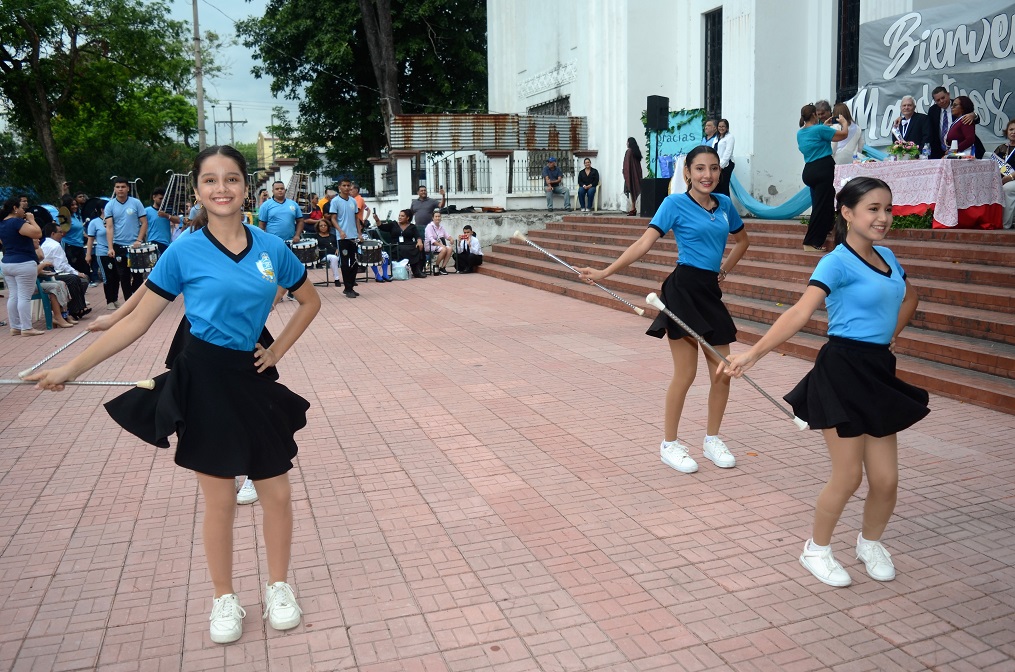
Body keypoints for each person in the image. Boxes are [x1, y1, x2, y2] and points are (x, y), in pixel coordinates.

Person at [27, 144, 321, 644]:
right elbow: (140, 320)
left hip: (251, 378)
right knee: (221, 499)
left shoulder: (272, 248)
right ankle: (224, 598)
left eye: (231, 179)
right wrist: (71, 367)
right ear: (198, 189)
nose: (221, 188)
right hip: (203, 379)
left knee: (277, 491)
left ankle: (278, 586)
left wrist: (276, 354)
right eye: (210, 180)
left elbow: (309, 301)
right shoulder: (184, 250)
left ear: (245, 186)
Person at [722, 177, 928, 588]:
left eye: (887, 208)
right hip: (842, 370)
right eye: (873, 209)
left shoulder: (888, 257)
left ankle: (869, 543)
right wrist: (753, 353)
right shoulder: (836, 261)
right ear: (847, 214)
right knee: (849, 475)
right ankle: (816, 549)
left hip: (877, 370)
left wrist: (890, 336)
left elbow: (910, 297)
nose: (883, 217)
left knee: (886, 480)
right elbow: (800, 313)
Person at [578, 145, 750, 474]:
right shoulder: (674, 204)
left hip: (709, 292)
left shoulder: (725, 205)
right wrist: (605, 272)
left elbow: (742, 241)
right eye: (700, 168)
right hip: (683, 290)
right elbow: (644, 243)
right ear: (687, 172)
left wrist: (724, 270)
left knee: (723, 372)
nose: (708, 175)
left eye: (713, 168)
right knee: (685, 374)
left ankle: (711, 439)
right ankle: (670, 444)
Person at [798, 103, 848, 252]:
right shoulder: (820, 129)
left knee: (826, 203)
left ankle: (827, 228)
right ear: (814, 115)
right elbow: (843, 135)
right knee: (820, 206)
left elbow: (817, 139)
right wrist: (844, 124)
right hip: (823, 169)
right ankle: (810, 242)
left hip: (809, 170)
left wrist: (824, 126)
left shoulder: (800, 133)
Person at [0, 198, 46, 336]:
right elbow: (38, 233)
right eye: (22, 208)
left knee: (13, 296)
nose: (24, 211)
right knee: (24, 296)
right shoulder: (16, 222)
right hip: (23, 262)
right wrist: (32, 220)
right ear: (15, 208)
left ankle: (15, 327)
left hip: (7, 262)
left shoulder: (2, 223)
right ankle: (26, 328)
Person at [103, 177, 149, 300]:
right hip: (119, 246)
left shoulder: (136, 203)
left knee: (138, 276)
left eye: (123, 187)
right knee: (123, 276)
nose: (120, 189)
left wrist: (139, 240)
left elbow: (144, 222)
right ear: (114, 189)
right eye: (117, 187)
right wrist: (110, 247)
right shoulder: (110, 205)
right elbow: (109, 227)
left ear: (128, 188)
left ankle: (136, 297)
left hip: (135, 246)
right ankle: (128, 302)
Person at [40, 222, 90, 320]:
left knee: (80, 278)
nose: (62, 234)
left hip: (51, 272)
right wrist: (76, 273)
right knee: (76, 279)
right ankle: (75, 309)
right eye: (60, 232)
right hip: (52, 274)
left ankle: (78, 307)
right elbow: (61, 266)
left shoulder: (46, 243)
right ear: (53, 234)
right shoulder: (55, 245)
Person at [328, 178, 361, 297]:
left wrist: (359, 233)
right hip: (342, 238)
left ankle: (351, 285)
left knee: (355, 262)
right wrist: (340, 231)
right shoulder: (335, 201)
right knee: (345, 263)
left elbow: (357, 218)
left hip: (353, 237)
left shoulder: (353, 201)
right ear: (339, 187)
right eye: (344, 185)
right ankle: (347, 288)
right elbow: (333, 218)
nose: (347, 188)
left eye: (348, 185)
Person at [927, 86, 978, 159]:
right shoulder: (933, 110)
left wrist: (974, 115)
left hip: (963, 151)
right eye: (938, 100)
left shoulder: (959, 104)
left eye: (943, 98)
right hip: (942, 150)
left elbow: (970, 118)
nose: (941, 101)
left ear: (948, 94)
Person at [374, 209, 425, 278]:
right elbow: (382, 227)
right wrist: (377, 219)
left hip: (409, 244)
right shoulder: (393, 224)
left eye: (402, 216)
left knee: (419, 247)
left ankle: (417, 270)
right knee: (404, 249)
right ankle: (413, 269)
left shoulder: (412, 226)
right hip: (396, 245)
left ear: (408, 218)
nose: (400, 217)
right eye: (399, 216)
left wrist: (419, 241)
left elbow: (417, 236)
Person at [993, 119, 1015, 230]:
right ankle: (990, 221)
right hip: (1000, 179)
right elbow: (991, 165)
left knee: (1007, 188)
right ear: (1007, 132)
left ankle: (1005, 225)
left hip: (1012, 179)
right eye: (1011, 129)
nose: (1013, 132)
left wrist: (1009, 178)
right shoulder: (1002, 148)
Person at [61, 196, 91, 277]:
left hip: (79, 245)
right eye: (72, 205)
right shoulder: (64, 217)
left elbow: (80, 231)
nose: (75, 206)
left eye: (76, 204)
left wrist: (90, 237)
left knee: (84, 270)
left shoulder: (76, 217)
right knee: (73, 271)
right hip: (69, 246)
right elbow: (62, 233)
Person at [145, 187, 178, 255]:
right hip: (153, 242)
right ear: (154, 197)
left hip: (167, 243)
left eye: (164, 199)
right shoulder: (147, 211)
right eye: (160, 198)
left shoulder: (168, 210)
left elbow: (178, 221)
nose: (162, 201)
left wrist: (167, 216)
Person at [311, 218, 341, 286]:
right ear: (318, 227)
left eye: (325, 225)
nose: (323, 227)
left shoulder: (333, 236)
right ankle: (337, 279)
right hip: (323, 256)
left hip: (336, 254)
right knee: (333, 258)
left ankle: (350, 279)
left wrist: (337, 249)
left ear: (328, 226)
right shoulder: (316, 237)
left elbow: (338, 245)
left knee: (348, 258)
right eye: (321, 226)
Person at [424, 211, 453, 275]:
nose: (437, 218)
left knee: (450, 248)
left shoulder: (441, 227)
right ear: (433, 218)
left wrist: (451, 239)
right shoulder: (429, 227)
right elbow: (431, 240)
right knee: (444, 249)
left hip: (438, 245)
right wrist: (442, 246)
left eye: (439, 216)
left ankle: (443, 267)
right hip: (430, 245)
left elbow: (447, 235)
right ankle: (436, 266)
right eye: (436, 216)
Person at [623, 137, 643, 217]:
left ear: (629, 143)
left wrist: (625, 172)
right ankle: (633, 207)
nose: (626, 144)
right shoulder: (636, 151)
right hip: (636, 173)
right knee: (634, 189)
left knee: (631, 189)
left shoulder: (629, 151)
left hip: (631, 173)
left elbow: (627, 164)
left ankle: (633, 208)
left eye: (627, 142)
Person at [715, 119, 735, 197]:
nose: (721, 128)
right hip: (717, 165)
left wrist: (721, 165)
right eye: (719, 126)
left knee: (724, 186)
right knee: (717, 186)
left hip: (726, 164)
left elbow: (728, 153)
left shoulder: (730, 137)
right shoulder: (717, 137)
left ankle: (727, 206)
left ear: (727, 128)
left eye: (723, 126)